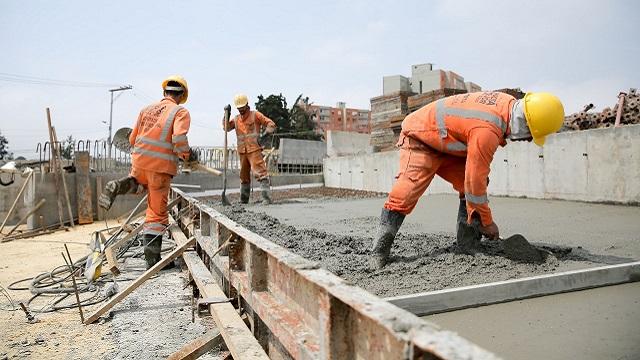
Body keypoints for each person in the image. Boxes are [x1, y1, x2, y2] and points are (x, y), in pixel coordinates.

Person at [370, 91, 564, 269]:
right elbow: (475, 183)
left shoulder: (507, 104)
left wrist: (481, 218)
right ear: (525, 125)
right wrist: (487, 223)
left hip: (449, 141)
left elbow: (473, 182)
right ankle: (379, 252)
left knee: (470, 184)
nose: (529, 140)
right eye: (531, 135)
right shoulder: (487, 130)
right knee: (406, 192)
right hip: (420, 137)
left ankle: (468, 243)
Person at [99, 75, 196, 268]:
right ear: (182, 95)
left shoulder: (146, 109)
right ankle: (153, 260)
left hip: (139, 160)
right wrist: (187, 156)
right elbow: (178, 139)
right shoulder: (180, 112)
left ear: (164, 92)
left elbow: (132, 140)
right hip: (160, 168)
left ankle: (119, 185)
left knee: (138, 183)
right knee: (156, 214)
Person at [225, 94, 276, 204]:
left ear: (247, 105)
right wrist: (226, 115)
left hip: (254, 150)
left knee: (261, 173)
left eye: (242, 107)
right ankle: (244, 200)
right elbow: (227, 128)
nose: (241, 110)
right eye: (239, 108)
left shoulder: (255, 115)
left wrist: (265, 134)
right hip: (242, 151)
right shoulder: (236, 119)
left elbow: (271, 124)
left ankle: (266, 198)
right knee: (244, 176)